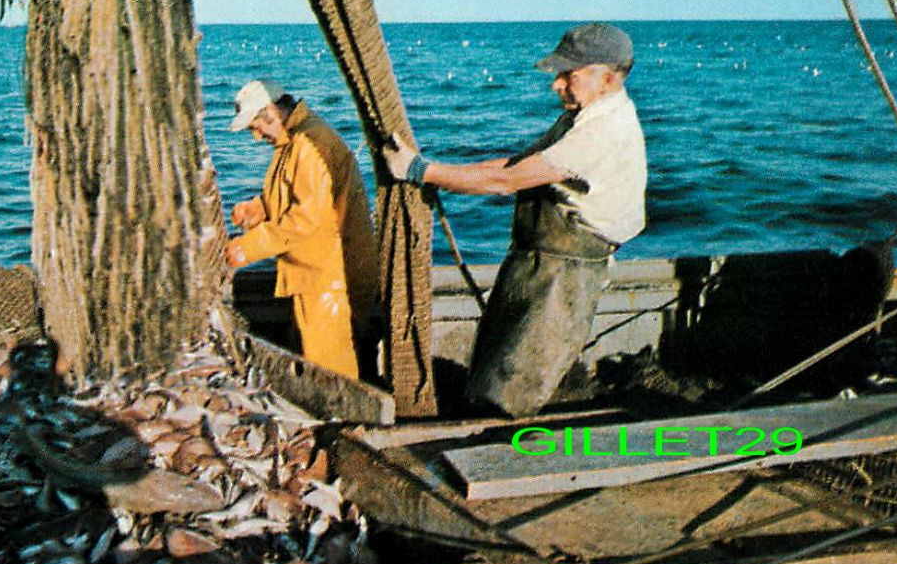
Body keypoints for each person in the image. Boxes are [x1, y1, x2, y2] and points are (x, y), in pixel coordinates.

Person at [382, 23, 647, 418]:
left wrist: (423, 172)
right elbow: (516, 164)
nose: (556, 85)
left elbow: (505, 181)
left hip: (567, 271)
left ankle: (502, 449)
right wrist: (436, 170)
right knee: (495, 363)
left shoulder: (603, 132)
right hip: (539, 256)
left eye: (568, 75)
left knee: (518, 384)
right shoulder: (583, 116)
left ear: (607, 78)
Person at [224, 80, 378, 379]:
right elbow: (294, 196)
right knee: (313, 356)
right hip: (314, 272)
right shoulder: (292, 141)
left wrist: (245, 249)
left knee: (332, 371)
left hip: (331, 276)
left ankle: (348, 425)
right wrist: (258, 209)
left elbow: (305, 222)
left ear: (272, 111)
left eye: (256, 126)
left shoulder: (309, 144)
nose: (256, 137)